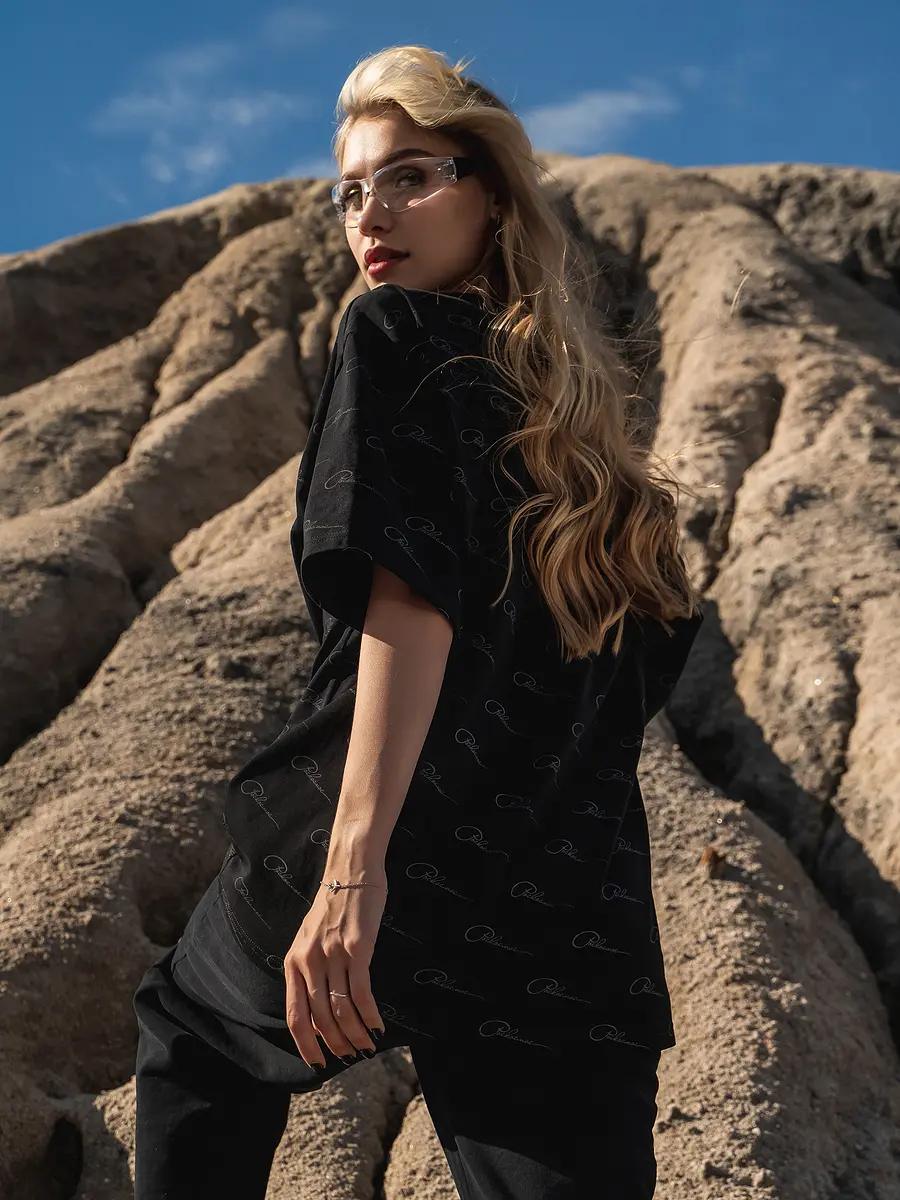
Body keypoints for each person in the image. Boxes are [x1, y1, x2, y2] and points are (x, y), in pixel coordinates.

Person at [132, 44, 705, 1200]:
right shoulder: (606, 472)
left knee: (192, 1036)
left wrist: (353, 872)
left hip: (399, 862)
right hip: (569, 920)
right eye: (351, 190)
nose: (372, 214)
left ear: (490, 194)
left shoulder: (394, 334)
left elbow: (412, 602)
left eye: (409, 175)